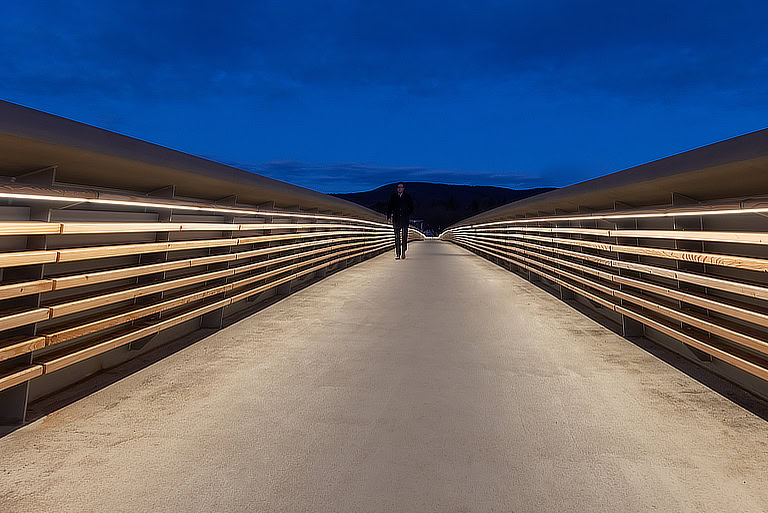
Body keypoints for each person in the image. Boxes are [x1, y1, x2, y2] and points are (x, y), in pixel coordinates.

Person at [386, 182, 414, 260]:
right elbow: (389, 207)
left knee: (404, 236)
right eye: (398, 187)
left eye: (401, 187)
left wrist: (407, 212)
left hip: (405, 219)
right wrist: (388, 216)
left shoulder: (407, 197)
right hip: (396, 219)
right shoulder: (393, 197)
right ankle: (398, 253)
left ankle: (403, 251)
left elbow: (411, 207)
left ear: (403, 188)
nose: (399, 188)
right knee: (397, 237)